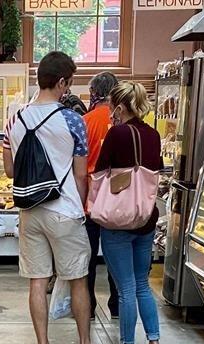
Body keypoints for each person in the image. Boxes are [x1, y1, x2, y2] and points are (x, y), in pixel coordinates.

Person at [3, 51, 100, 344]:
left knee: (36, 281)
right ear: (61, 82)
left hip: (30, 210)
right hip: (65, 210)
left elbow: (9, 170)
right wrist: (81, 207)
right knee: (78, 279)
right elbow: (81, 173)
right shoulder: (72, 120)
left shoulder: (14, 119)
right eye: (68, 84)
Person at [97, 81, 164, 344]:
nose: (111, 112)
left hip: (118, 220)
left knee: (124, 287)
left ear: (120, 107)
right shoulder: (153, 134)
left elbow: (100, 170)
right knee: (141, 284)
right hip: (145, 219)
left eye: (112, 107)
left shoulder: (117, 133)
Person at [82, 71, 119, 319]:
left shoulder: (86, 121)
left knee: (88, 257)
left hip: (91, 198)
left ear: (94, 92)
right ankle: (117, 305)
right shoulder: (124, 120)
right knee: (116, 255)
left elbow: (78, 164)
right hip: (118, 198)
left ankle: (89, 307)